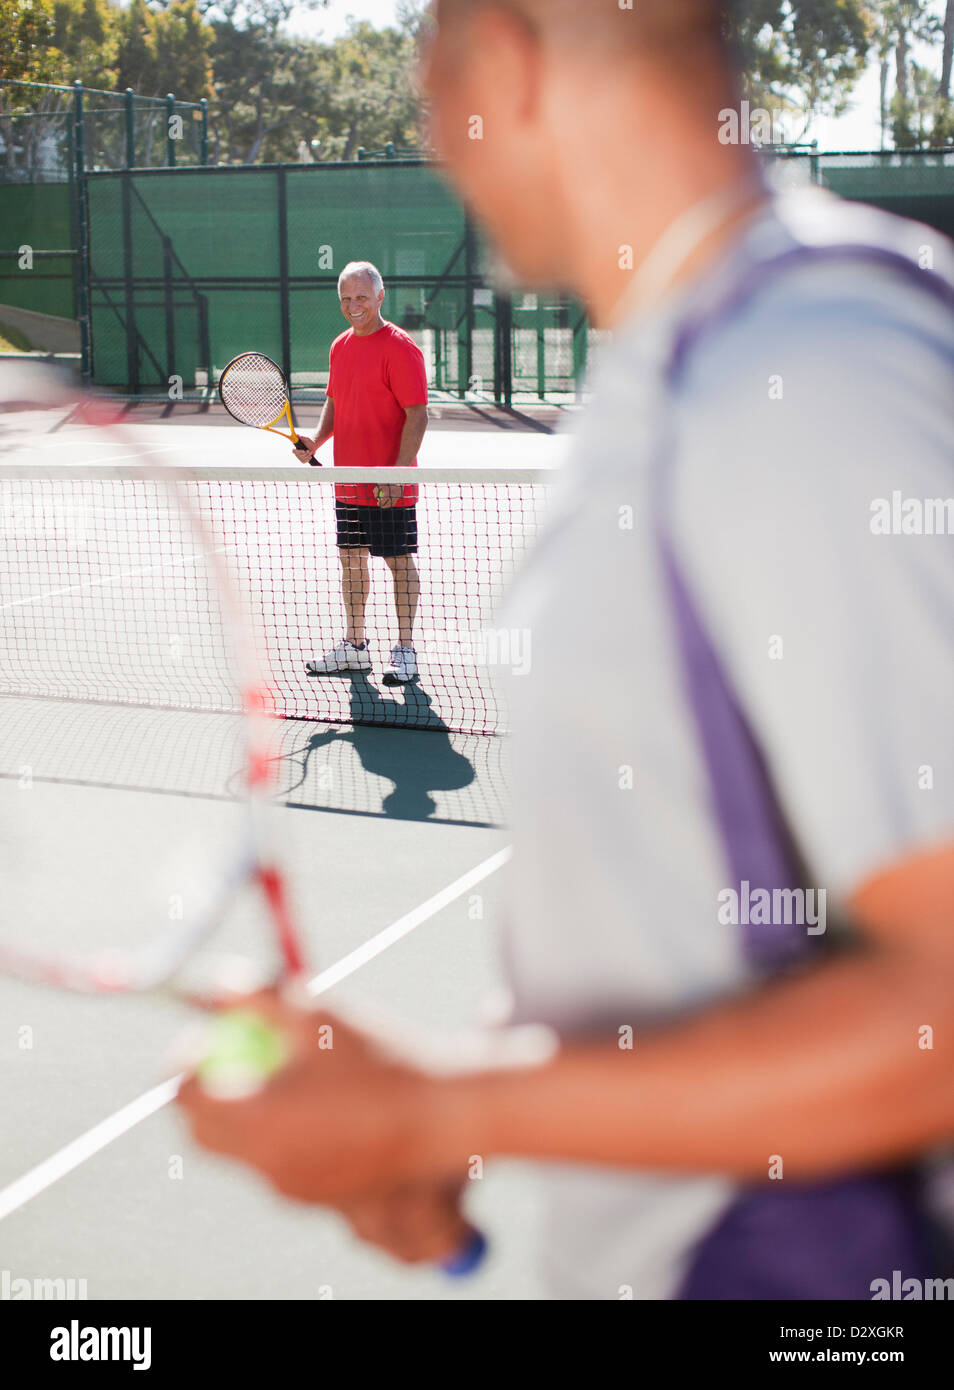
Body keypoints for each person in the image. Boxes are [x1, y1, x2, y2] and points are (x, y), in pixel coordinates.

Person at [179, 1, 954, 1299]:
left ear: (506, 59)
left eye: (430, 74)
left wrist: (436, 1107)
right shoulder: (665, 381)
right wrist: (457, 1112)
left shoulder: (809, 374)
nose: (434, 141)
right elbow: (674, 927)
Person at [296, 260, 429, 686]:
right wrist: (316, 442)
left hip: (390, 482)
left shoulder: (401, 347)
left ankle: (405, 651)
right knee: (351, 561)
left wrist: (396, 474)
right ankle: (354, 647)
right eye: (346, 298)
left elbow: (418, 415)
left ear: (380, 297)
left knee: (397, 561)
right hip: (349, 479)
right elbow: (337, 402)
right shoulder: (340, 346)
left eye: (361, 298)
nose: (353, 306)